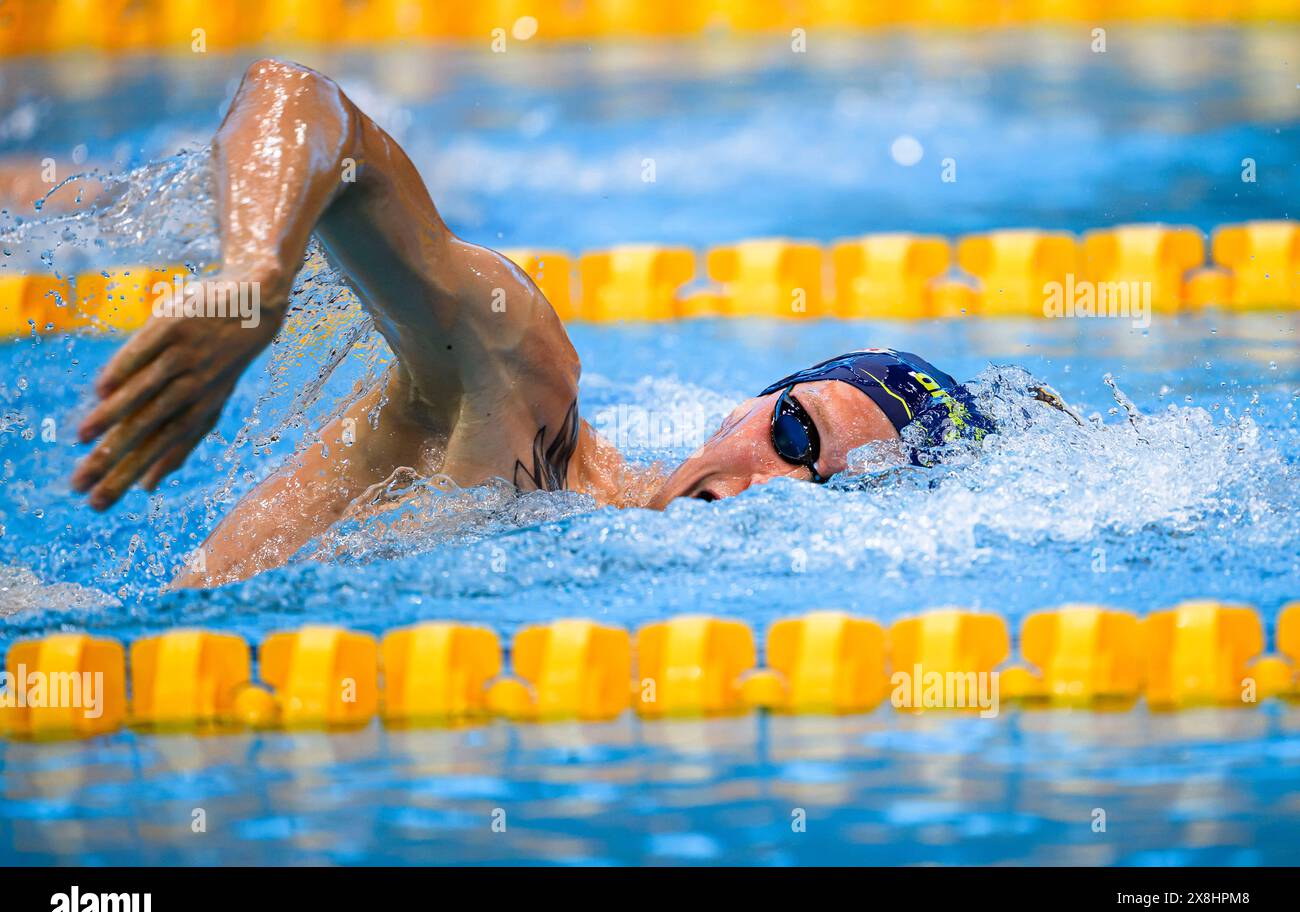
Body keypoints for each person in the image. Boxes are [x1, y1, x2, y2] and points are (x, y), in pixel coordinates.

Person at [69, 59, 1007, 588]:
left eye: (828, 493)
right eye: (796, 430)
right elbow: (298, 100)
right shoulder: (526, 395)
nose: (775, 487)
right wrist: (255, 277)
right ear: (741, 408)